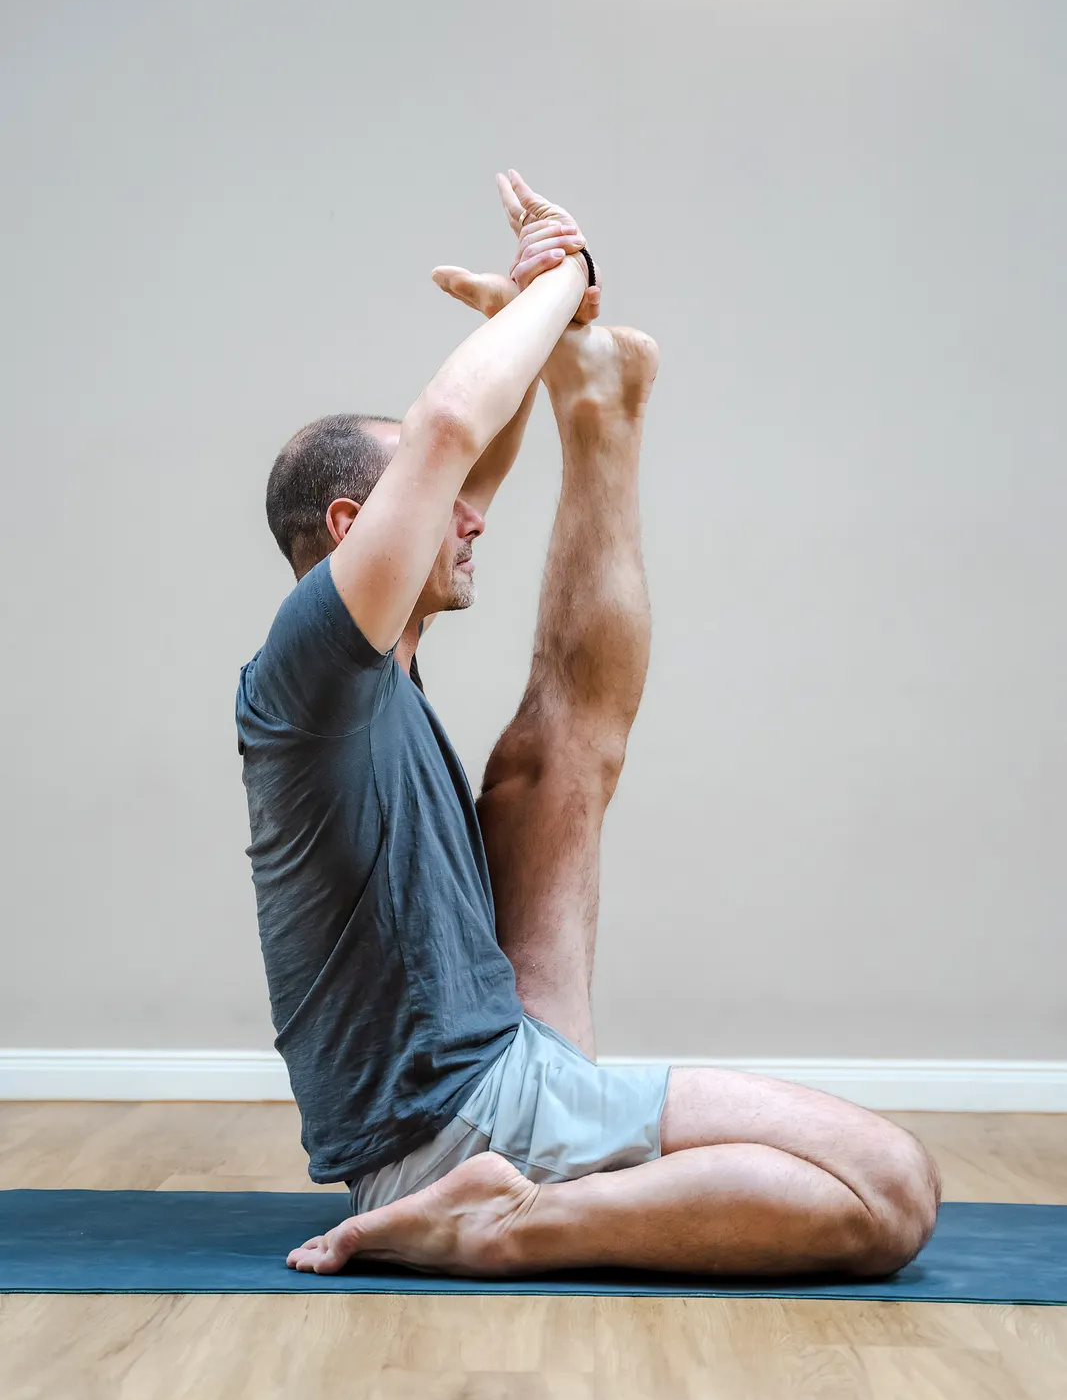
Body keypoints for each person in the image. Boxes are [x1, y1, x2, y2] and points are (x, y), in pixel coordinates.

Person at [236, 171, 941, 1279]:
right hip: (452, 1127)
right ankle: (493, 1222)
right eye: (435, 499)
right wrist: (561, 277)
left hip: (495, 1057)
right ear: (348, 525)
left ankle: (603, 402)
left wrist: (557, 327)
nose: (471, 514)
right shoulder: (308, 661)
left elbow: (468, 452)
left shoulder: (373, 657)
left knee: (558, 744)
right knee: (890, 1192)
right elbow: (447, 427)